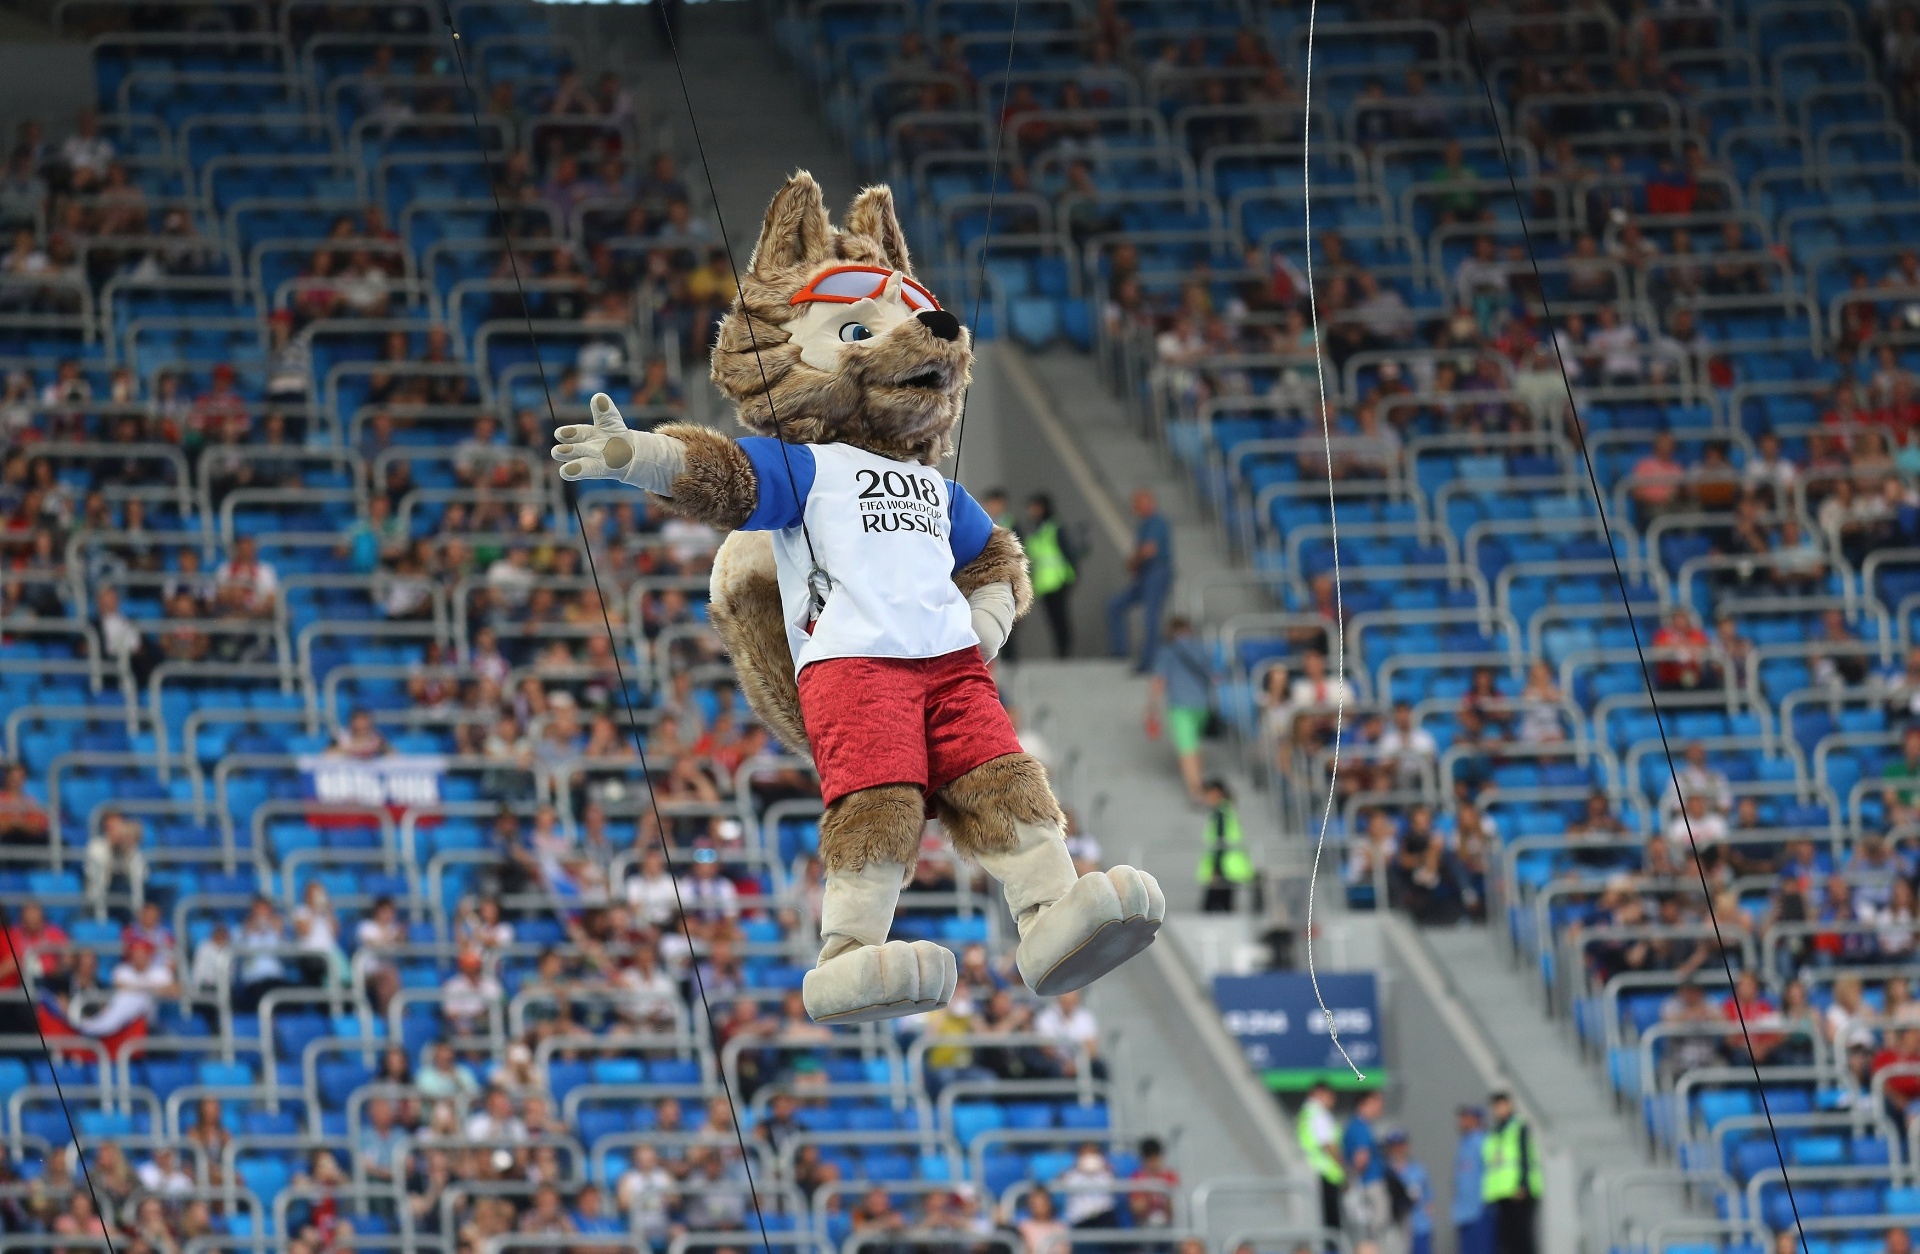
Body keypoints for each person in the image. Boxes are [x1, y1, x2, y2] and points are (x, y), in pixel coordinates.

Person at [1108, 488, 1173, 672]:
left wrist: (1134, 561)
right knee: (1114, 606)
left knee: (1151, 617)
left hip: (1156, 572)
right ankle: (1120, 651)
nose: (1135, 508)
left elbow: (1149, 550)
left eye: (1138, 504)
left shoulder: (1156, 522)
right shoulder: (1144, 525)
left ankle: (1149, 661)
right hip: (1146, 574)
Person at [1149, 617, 1213, 800]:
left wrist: (1152, 708)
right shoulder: (1201, 648)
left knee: (1186, 749)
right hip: (1202, 704)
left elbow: (1159, 681)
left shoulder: (1167, 652)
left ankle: (1195, 791)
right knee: (1195, 746)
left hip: (1180, 706)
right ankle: (1199, 782)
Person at [1481, 1091, 1540, 1254]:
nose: (1499, 1109)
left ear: (1509, 1105)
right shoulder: (1493, 1132)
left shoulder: (1518, 1127)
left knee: (1522, 1238)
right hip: (1502, 1193)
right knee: (1507, 1240)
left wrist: (1523, 1184)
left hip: (1518, 1192)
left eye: (1502, 1105)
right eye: (1496, 1106)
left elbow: (1524, 1157)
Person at [1024, 493, 1078, 657]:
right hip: (1044, 583)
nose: (1030, 510)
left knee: (1061, 619)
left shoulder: (1054, 527)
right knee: (1053, 620)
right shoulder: (1037, 529)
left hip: (1058, 581)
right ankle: (1060, 652)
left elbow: (1068, 553)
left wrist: (1072, 577)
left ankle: (1065, 652)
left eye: (1033, 506)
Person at [1299, 1080, 1346, 1237]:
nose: (1333, 1100)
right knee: (1332, 1224)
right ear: (1319, 1093)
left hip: (1315, 1171)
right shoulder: (1318, 1114)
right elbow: (1329, 1145)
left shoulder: (1306, 1113)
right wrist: (1344, 1169)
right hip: (1327, 1172)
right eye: (1330, 1095)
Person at [1198, 779, 1254, 912]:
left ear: (1216, 793)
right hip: (1230, 867)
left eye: (1207, 794)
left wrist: (1215, 871)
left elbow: (1220, 843)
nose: (1205, 798)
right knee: (1225, 907)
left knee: (1211, 907)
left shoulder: (1220, 814)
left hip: (1224, 868)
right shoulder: (1228, 811)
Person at [1384, 1130, 1431, 1254]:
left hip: (1418, 1226)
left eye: (1401, 1145)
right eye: (1394, 1146)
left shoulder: (1418, 1170)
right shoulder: (1386, 1172)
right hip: (1396, 1230)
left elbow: (1428, 1198)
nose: (1398, 1150)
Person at [1453, 1106, 1490, 1254]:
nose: (1461, 1121)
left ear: (1475, 1120)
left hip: (1480, 1211)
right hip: (1464, 1212)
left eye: (1466, 1118)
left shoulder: (1483, 1142)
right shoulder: (1464, 1143)